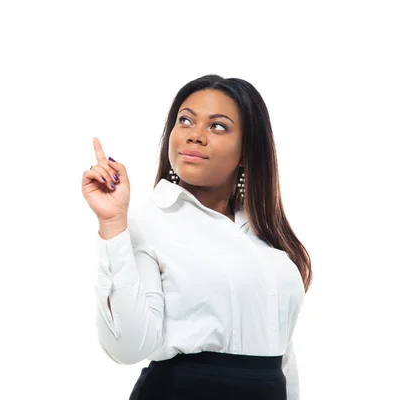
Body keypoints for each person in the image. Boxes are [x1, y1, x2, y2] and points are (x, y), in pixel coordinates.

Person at [81, 74, 312, 400]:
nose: (195, 136)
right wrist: (113, 225)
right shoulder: (150, 223)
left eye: (218, 126)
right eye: (185, 121)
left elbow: (282, 358)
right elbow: (127, 347)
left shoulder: (267, 238)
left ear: (247, 150)